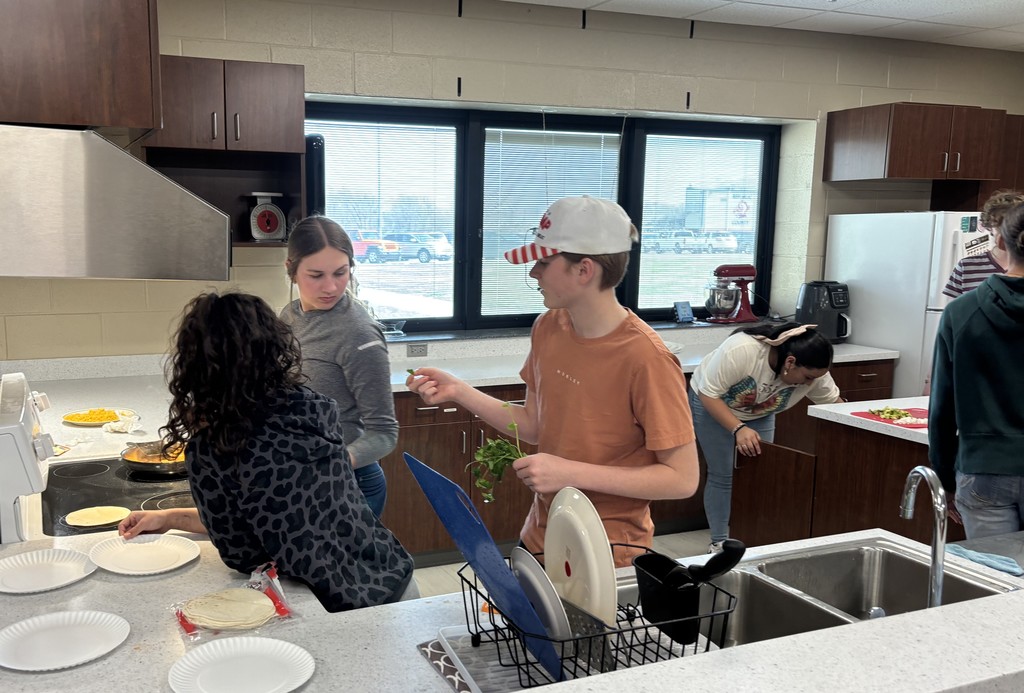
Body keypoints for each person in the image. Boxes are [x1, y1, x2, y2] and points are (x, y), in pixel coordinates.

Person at [407, 195, 700, 568]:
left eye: (544, 263)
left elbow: (682, 479)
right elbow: (533, 425)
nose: (533, 273)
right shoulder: (548, 327)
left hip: (605, 552)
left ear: (584, 270)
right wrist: (459, 391)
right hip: (540, 535)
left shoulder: (646, 359)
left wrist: (569, 473)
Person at [120, 292, 417, 612]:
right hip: (393, 576)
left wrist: (173, 518)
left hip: (343, 608)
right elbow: (291, 515)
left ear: (194, 367)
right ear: (277, 347)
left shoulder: (214, 447)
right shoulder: (315, 407)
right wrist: (169, 518)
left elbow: (241, 551)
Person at [279, 215, 398, 519]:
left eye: (341, 273)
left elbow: (384, 433)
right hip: (302, 477)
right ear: (290, 270)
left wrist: (331, 462)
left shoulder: (358, 334)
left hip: (350, 484)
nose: (330, 287)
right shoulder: (289, 316)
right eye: (316, 275)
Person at [689, 322, 843, 552]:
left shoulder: (816, 375)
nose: (811, 383)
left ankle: (750, 537)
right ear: (790, 362)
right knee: (724, 474)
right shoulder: (742, 350)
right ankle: (720, 542)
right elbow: (708, 394)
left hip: (760, 412)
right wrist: (738, 429)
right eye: (808, 377)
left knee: (759, 475)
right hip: (713, 404)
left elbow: (835, 406)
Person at [929, 202, 1024, 539]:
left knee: (995, 584)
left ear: (999, 242)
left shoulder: (960, 313)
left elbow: (941, 408)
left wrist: (943, 477)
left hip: (983, 467)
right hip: (986, 465)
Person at [942, 189, 1024, 298]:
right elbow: (953, 312)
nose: (1007, 231)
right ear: (989, 227)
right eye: (1000, 224)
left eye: (1013, 225)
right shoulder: (967, 266)